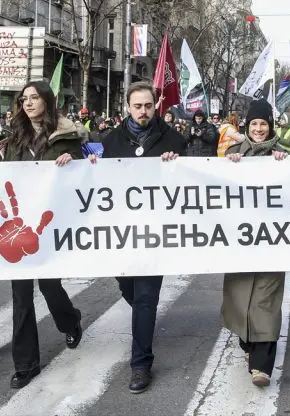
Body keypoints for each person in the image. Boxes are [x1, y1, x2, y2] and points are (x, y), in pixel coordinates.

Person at [0, 80, 84, 390]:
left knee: (50, 287)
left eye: (34, 98)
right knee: (21, 296)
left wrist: (74, 163)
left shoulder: (66, 138)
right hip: (20, 226)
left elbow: (87, 178)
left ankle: (70, 321)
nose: (28, 104)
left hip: (51, 225)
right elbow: (5, 176)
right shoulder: (13, 140)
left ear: (47, 101)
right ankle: (26, 365)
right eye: (24, 99)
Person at [91, 81, 186, 394]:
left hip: (155, 232)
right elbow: (99, 183)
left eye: (148, 106)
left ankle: (140, 364)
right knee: (128, 287)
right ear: (127, 108)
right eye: (137, 106)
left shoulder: (174, 139)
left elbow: (192, 181)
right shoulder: (111, 140)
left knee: (145, 296)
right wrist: (90, 168)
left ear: (155, 105)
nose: (143, 112)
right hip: (121, 232)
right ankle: (142, 319)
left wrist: (178, 167)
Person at [223, 99, 288, 387]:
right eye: (254, 124)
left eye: (263, 124)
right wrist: (231, 166)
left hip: (273, 240)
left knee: (266, 301)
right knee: (240, 298)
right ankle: (248, 345)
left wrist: (287, 165)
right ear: (247, 127)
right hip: (240, 241)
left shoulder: (284, 155)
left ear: (270, 126)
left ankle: (262, 366)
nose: (259, 129)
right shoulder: (233, 152)